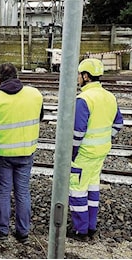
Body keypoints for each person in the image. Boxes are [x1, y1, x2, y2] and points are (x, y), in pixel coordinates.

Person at [0, 63, 44, 244]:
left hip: (2, 154)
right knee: (23, 191)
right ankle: (23, 232)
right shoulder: (35, 94)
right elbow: (40, 117)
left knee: (2, 191)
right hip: (26, 151)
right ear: (18, 76)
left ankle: (3, 230)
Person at [67, 58, 123, 241]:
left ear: (86, 76)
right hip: (100, 152)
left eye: (79, 75)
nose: (77, 78)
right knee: (92, 188)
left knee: (77, 190)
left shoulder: (83, 99)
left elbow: (77, 133)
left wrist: (72, 154)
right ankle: (91, 226)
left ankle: (80, 230)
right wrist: (105, 140)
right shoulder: (110, 96)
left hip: (84, 154)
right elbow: (118, 124)